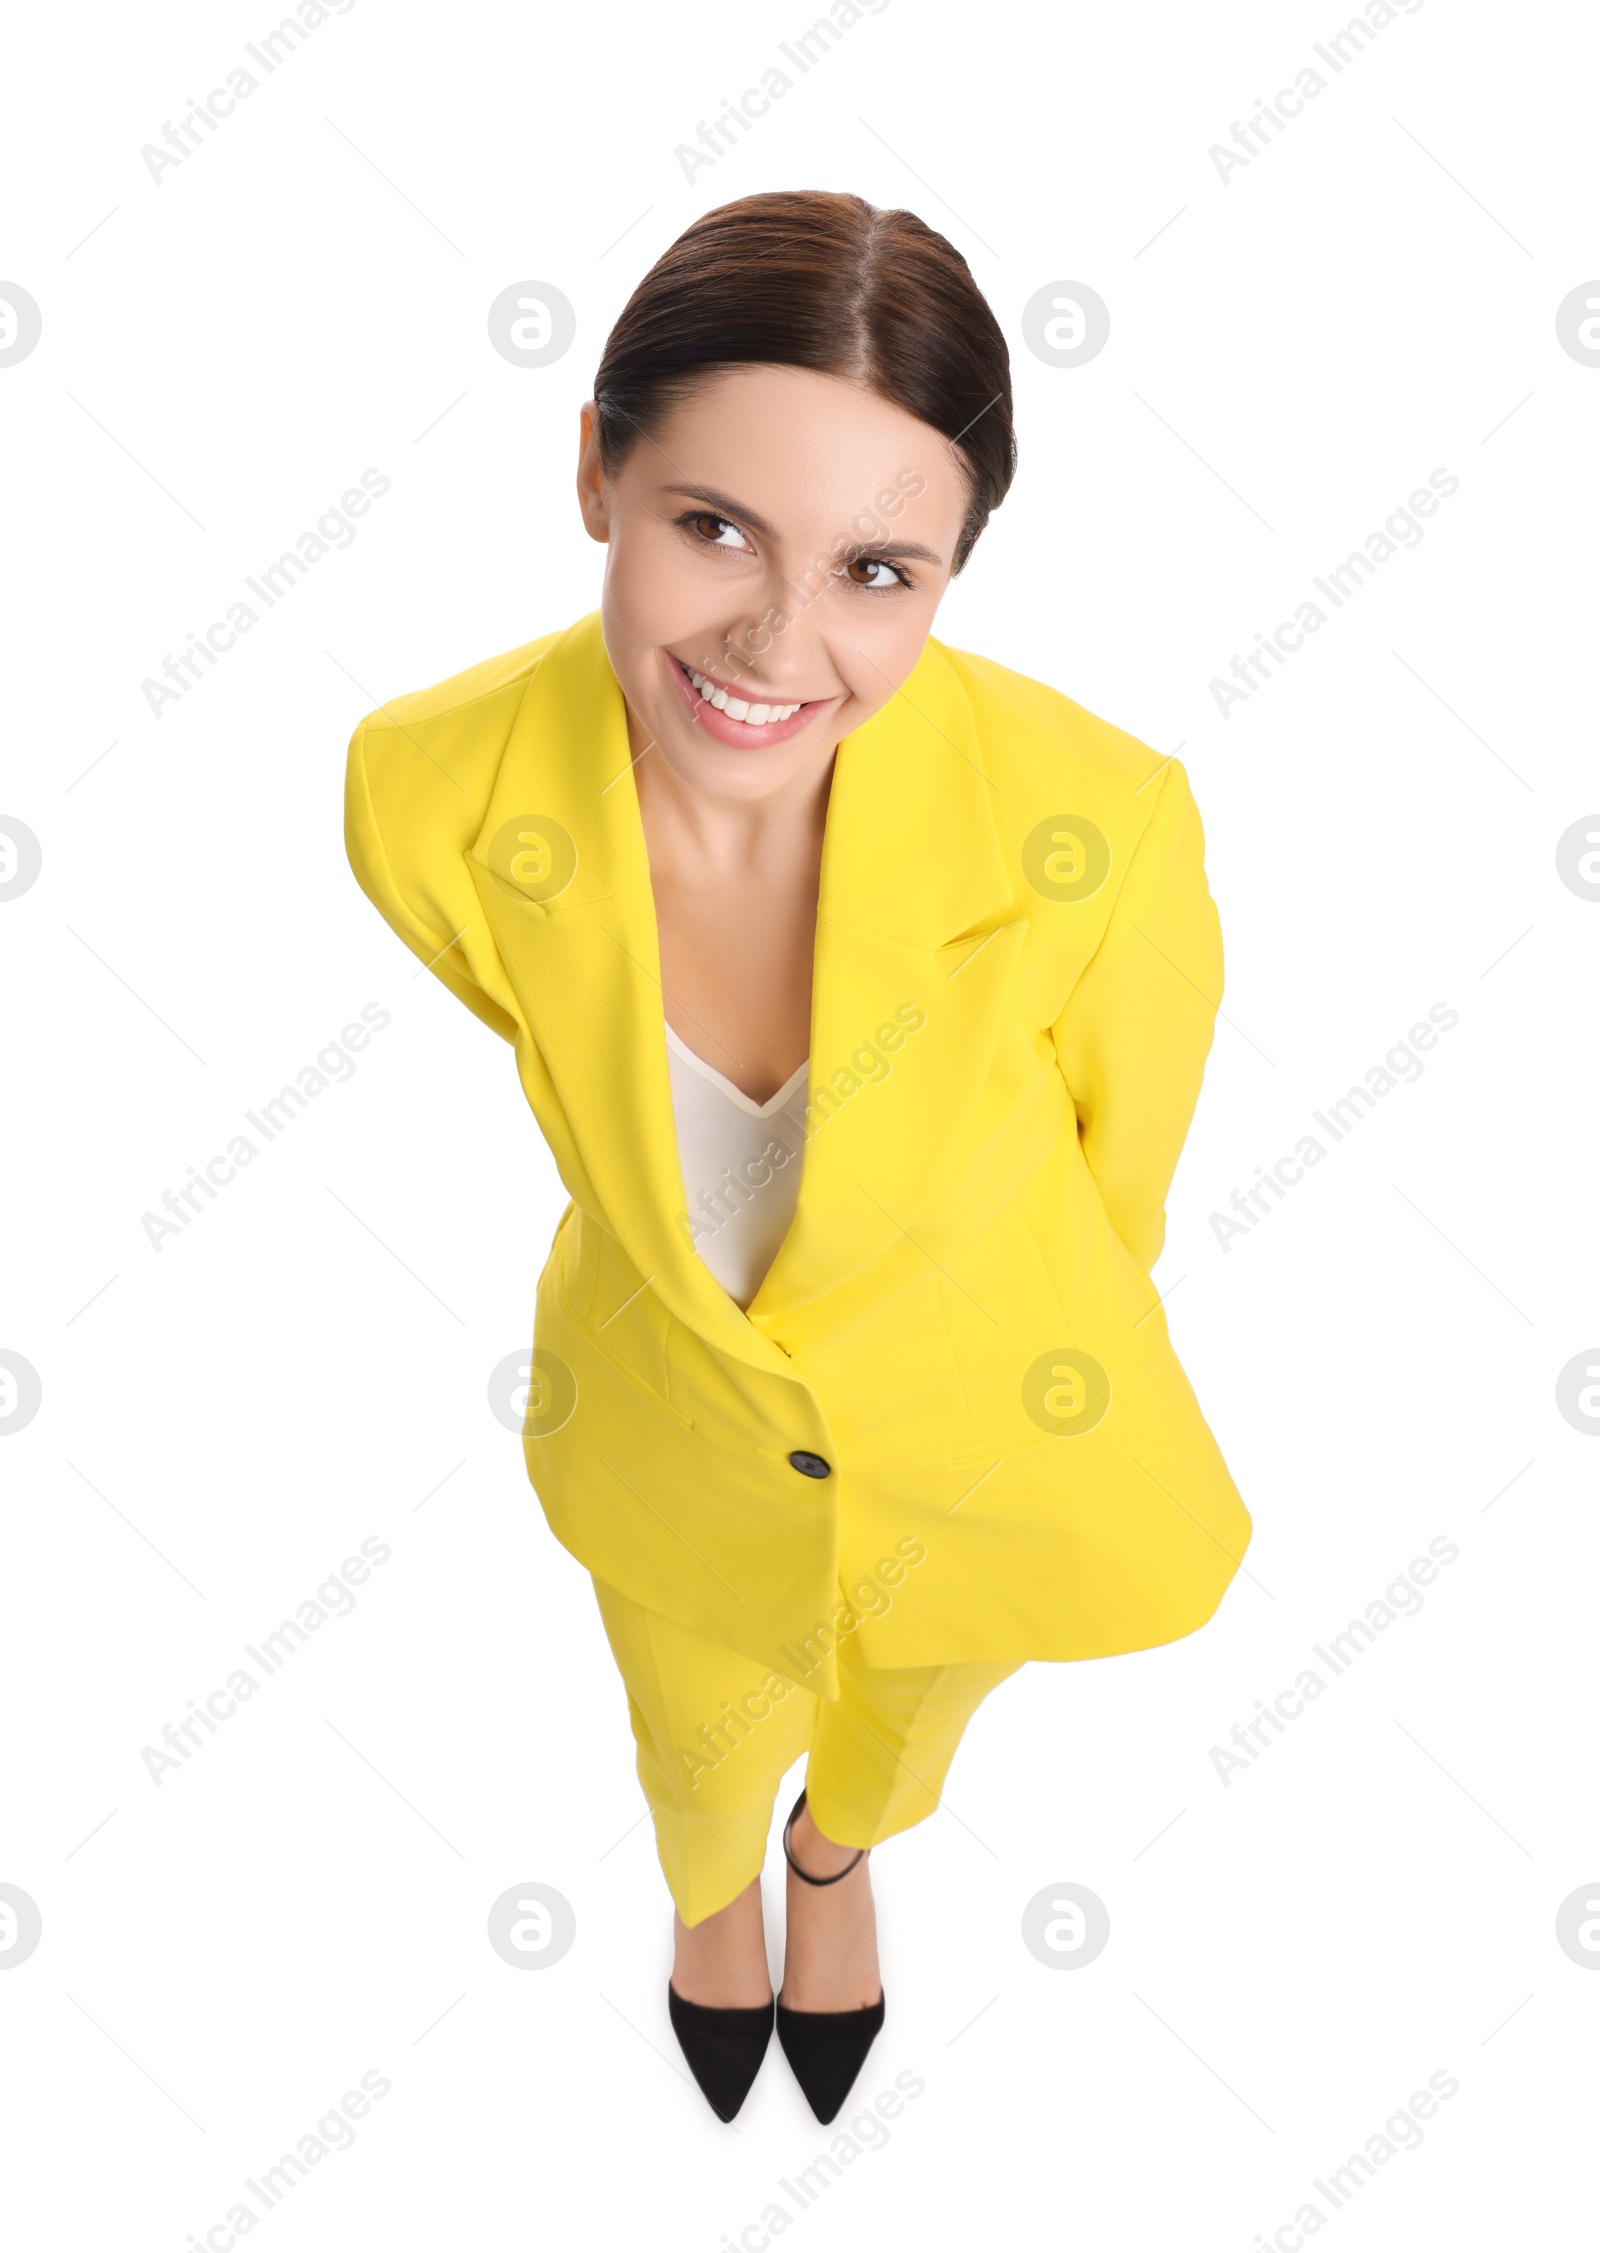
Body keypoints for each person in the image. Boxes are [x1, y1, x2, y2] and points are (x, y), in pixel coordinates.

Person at [343, 189, 1252, 2124]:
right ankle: (706, 1897)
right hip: (667, 1405)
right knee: (693, 1713)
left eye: (877, 570)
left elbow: (1121, 1177)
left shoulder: (1103, 820)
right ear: (597, 473)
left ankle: (839, 1857)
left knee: (907, 1703)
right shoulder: (423, 790)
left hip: (985, 1424)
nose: (777, 639)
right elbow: (542, 1027)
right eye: (712, 528)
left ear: (949, 577)